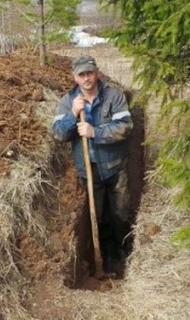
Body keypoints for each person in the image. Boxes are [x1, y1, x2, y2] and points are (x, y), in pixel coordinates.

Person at [51, 55, 133, 275]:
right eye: (81, 74)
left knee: (121, 214)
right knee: (99, 217)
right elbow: (59, 134)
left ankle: (123, 255)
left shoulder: (113, 96)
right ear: (75, 77)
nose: (86, 78)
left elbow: (125, 127)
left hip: (116, 167)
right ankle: (104, 259)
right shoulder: (68, 101)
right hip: (90, 171)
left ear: (96, 72)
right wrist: (73, 115)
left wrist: (95, 132)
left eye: (89, 73)